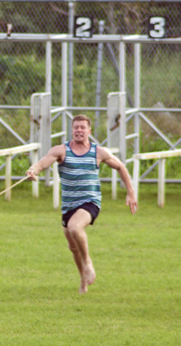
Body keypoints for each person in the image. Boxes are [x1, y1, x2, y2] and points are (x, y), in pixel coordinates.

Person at [26, 114, 137, 294]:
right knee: (72, 246)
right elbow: (42, 163)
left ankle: (88, 263)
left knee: (75, 228)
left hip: (90, 202)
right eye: (76, 127)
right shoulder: (61, 150)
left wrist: (131, 192)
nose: (79, 130)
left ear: (89, 131)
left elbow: (120, 167)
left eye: (82, 127)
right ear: (72, 130)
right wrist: (33, 170)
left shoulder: (98, 152)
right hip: (69, 205)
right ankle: (83, 279)